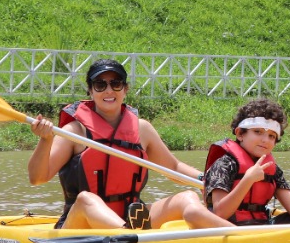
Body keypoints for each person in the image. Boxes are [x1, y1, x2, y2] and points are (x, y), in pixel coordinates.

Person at [27, 59, 221, 230]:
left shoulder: (141, 129)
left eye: (116, 84)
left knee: (186, 198)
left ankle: (231, 232)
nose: (109, 90)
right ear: (90, 90)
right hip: (81, 224)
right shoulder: (74, 132)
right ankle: (129, 234)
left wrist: (204, 179)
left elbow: (173, 167)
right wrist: (46, 140)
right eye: (100, 85)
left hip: (132, 216)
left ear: (125, 89)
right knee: (86, 199)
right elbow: (37, 178)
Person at [202, 98, 290, 225]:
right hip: (231, 230)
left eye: (271, 136)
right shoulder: (224, 165)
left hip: (262, 226)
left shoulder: (273, 169)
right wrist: (247, 180)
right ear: (240, 134)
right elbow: (220, 213)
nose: (265, 140)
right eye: (258, 132)